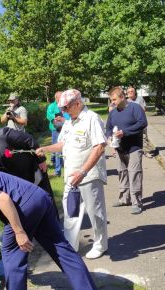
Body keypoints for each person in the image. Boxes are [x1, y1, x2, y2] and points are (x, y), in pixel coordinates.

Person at [36, 89, 108, 260]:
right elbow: (62, 144)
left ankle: (101, 244)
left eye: (66, 108)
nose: (64, 112)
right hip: (71, 177)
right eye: (62, 109)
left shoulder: (92, 119)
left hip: (88, 176)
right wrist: (45, 148)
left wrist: (83, 171)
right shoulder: (69, 121)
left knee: (95, 212)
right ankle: (70, 246)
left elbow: (99, 147)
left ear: (77, 103)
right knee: (71, 212)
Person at [0, 127, 57, 213]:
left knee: (47, 200)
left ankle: (57, 227)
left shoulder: (3, 134)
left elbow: (29, 140)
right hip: (18, 184)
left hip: (33, 172)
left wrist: (42, 160)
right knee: (33, 209)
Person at [105, 87, 148, 215]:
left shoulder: (135, 108)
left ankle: (137, 202)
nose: (112, 102)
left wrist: (125, 132)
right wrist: (109, 136)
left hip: (134, 147)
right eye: (111, 100)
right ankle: (124, 198)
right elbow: (108, 127)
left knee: (134, 173)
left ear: (122, 97)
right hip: (120, 148)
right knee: (122, 172)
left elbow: (142, 123)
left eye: (114, 99)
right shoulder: (113, 112)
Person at [127, 86, 153, 158]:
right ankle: (133, 151)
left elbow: (143, 109)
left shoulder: (140, 99)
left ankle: (146, 152)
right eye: (128, 92)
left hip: (141, 121)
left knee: (144, 137)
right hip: (132, 123)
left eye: (131, 91)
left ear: (135, 92)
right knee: (132, 137)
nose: (130, 93)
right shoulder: (127, 101)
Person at [46, 91, 66, 177]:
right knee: (56, 148)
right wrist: (55, 118)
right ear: (56, 98)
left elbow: (68, 116)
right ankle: (57, 168)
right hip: (55, 129)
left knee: (63, 149)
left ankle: (60, 169)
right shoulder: (52, 106)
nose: (62, 98)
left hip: (65, 129)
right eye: (60, 97)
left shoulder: (65, 105)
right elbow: (49, 115)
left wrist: (63, 118)